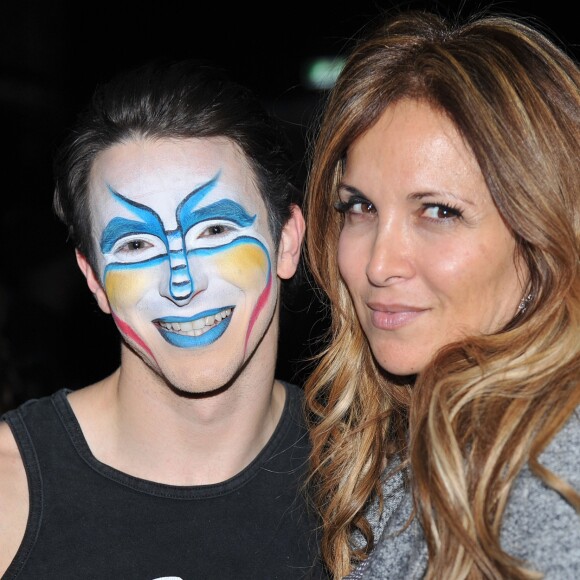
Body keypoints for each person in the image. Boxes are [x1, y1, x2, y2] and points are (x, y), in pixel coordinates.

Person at [0, 58, 327, 579]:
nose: (182, 282)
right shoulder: (9, 491)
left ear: (287, 240)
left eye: (215, 230)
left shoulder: (369, 478)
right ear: (93, 278)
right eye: (135, 244)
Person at [303, 7, 580, 579]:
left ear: (542, 236)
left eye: (438, 212)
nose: (378, 264)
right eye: (359, 207)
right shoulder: (421, 443)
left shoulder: (553, 471)